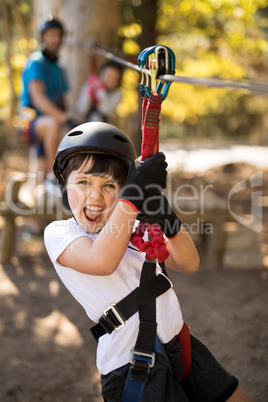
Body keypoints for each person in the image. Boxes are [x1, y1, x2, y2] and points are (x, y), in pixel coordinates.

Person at [44, 122, 251, 401]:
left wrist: (171, 224)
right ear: (63, 185)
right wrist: (132, 198)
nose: (95, 196)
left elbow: (189, 263)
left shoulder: (134, 229)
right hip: (130, 367)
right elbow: (102, 260)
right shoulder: (60, 233)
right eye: (83, 182)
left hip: (180, 345)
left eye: (109, 185)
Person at [18, 15, 72, 193]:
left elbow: (63, 100)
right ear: (43, 37)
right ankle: (54, 176)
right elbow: (37, 98)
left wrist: (69, 118)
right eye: (50, 35)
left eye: (58, 35)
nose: (55, 39)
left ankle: (36, 215)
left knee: (38, 170)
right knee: (52, 124)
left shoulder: (60, 67)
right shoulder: (36, 62)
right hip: (30, 121)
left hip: (50, 123)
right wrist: (63, 117)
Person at [76, 60, 123, 126]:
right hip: (86, 125)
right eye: (108, 76)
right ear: (101, 73)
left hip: (105, 127)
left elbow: (107, 111)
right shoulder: (90, 85)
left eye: (114, 78)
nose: (110, 81)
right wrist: (89, 91)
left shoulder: (118, 95)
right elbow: (81, 109)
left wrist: (100, 90)